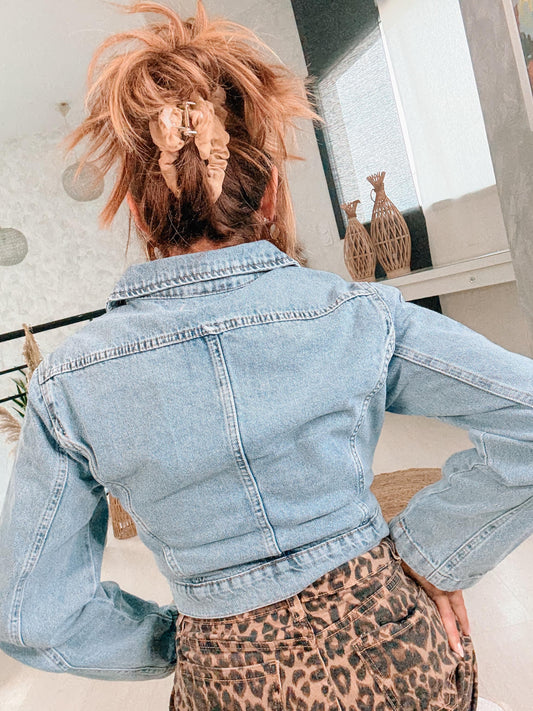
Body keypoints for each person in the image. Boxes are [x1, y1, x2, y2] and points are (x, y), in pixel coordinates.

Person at [0, 2, 531, 709]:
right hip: (393, 651)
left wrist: (182, 638)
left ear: (138, 211)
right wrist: (427, 558)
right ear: (272, 192)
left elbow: (28, 614)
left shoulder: (67, 385)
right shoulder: (357, 314)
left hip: (226, 679)